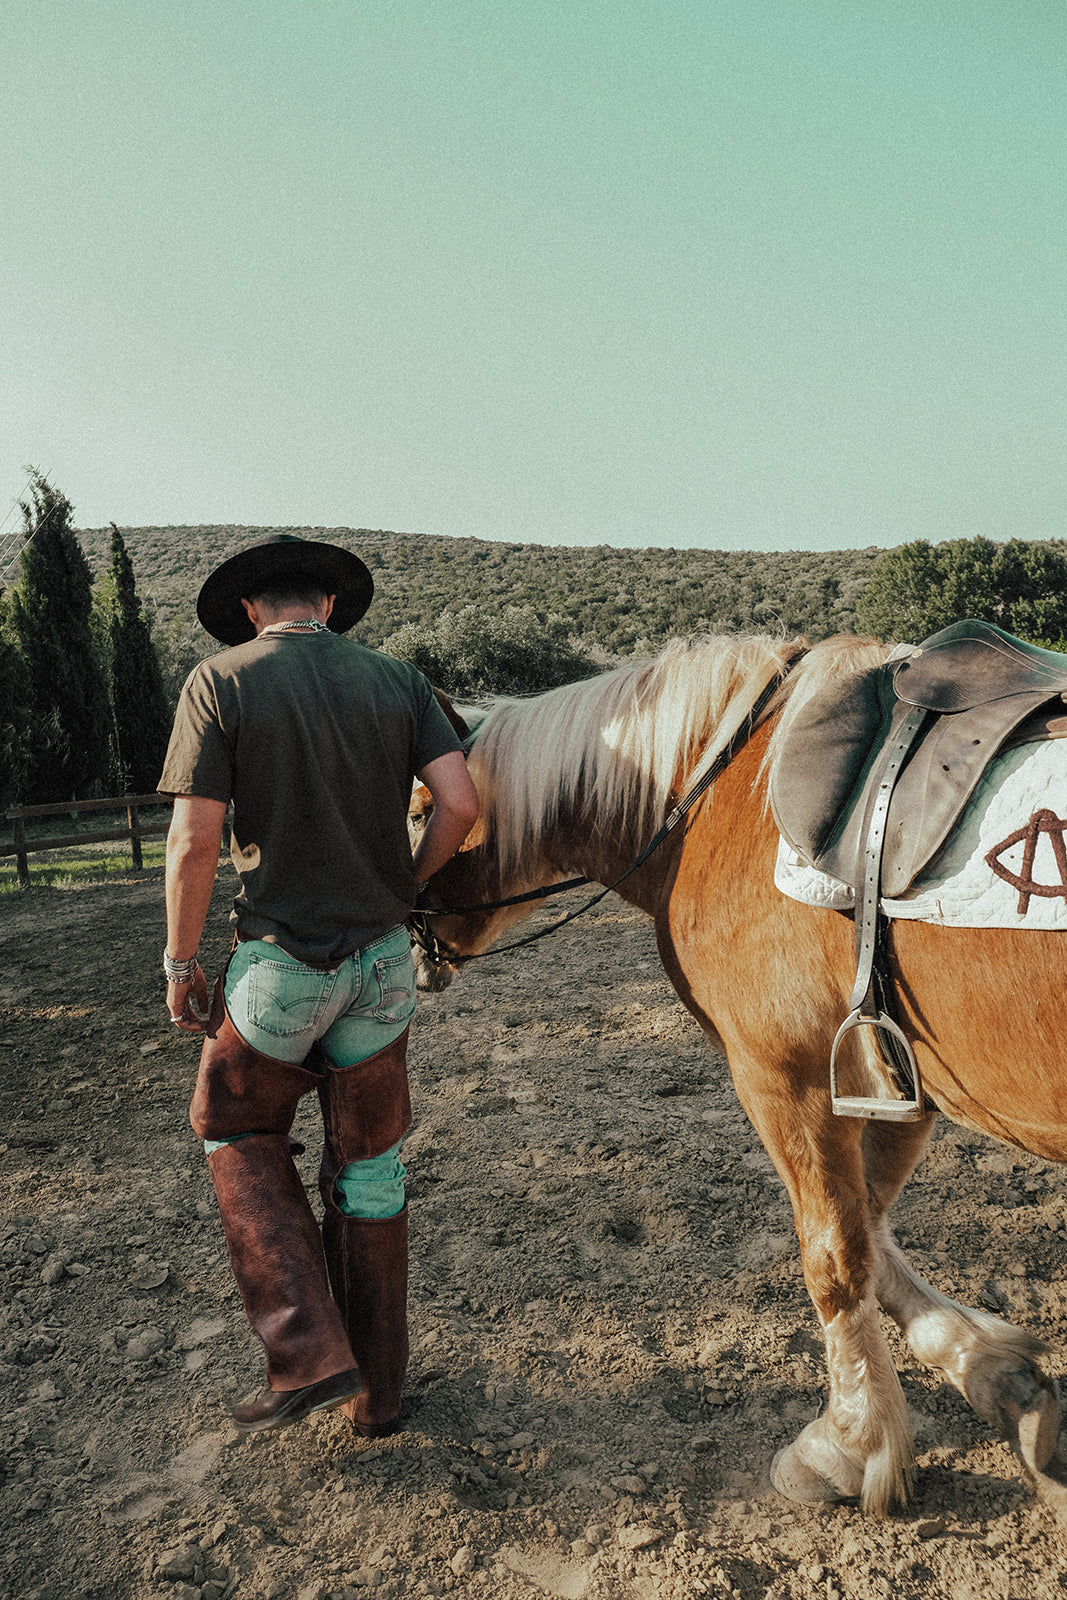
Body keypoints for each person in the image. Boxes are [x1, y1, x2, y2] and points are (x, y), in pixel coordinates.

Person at [157, 533, 479, 1438]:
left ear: (249, 610)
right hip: (382, 964)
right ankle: (380, 1398)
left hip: (281, 961)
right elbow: (459, 804)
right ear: (329, 605)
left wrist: (181, 963)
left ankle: (305, 1354)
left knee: (234, 1123)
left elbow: (194, 840)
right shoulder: (398, 681)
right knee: (370, 1162)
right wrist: (403, 887)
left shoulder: (219, 681)